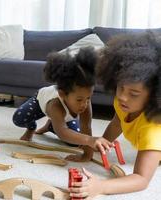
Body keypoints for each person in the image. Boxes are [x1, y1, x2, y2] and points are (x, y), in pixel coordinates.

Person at [69, 33, 161, 199]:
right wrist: (93, 149)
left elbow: (141, 179)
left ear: (154, 96)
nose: (122, 97)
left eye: (134, 93)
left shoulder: (152, 129)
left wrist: (100, 187)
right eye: (120, 88)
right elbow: (117, 124)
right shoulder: (123, 104)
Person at [12, 47, 113, 161]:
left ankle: (51, 125)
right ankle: (31, 128)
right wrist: (90, 140)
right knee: (19, 118)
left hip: (60, 116)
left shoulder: (85, 104)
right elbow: (62, 133)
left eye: (88, 98)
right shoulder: (55, 105)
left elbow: (86, 127)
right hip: (40, 103)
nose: (84, 104)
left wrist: (87, 154)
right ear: (62, 94)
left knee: (76, 139)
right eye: (79, 100)